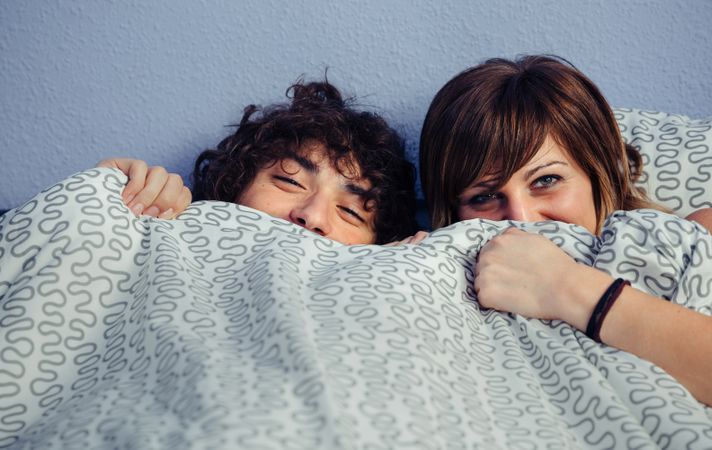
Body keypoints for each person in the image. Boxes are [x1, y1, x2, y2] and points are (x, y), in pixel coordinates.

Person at [418, 55, 712, 405]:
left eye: (546, 180)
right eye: (483, 197)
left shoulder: (689, 240)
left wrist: (564, 286)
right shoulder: (438, 259)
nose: (522, 218)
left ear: (599, 172)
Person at [99, 80, 419, 246]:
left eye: (351, 212)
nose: (311, 217)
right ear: (235, 187)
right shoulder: (163, 237)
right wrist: (108, 200)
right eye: (290, 181)